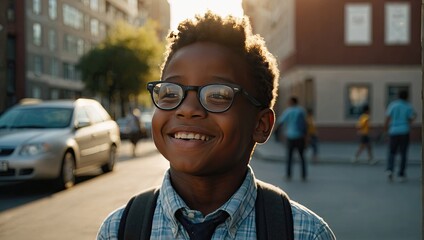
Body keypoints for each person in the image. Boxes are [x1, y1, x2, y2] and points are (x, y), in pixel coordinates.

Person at [97, 11, 335, 239]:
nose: (187, 109)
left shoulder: (304, 233)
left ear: (261, 124)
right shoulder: (119, 230)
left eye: (218, 95)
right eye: (170, 92)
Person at [384, 90, 416, 182]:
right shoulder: (408, 106)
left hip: (393, 131)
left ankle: (390, 169)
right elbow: (410, 120)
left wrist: (386, 130)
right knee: (403, 153)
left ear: (398, 96)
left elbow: (387, 118)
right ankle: (401, 174)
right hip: (404, 131)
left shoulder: (393, 105)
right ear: (406, 97)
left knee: (391, 151)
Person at [276, 97, 308, 181]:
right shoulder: (301, 111)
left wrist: (276, 132)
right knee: (302, 157)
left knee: (290, 157)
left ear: (292, 102)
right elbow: (305, 124)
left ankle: (289, 175)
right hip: (300, 137)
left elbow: (280, 122)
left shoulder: (288, 111)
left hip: (290, 137)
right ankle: (304, 175)